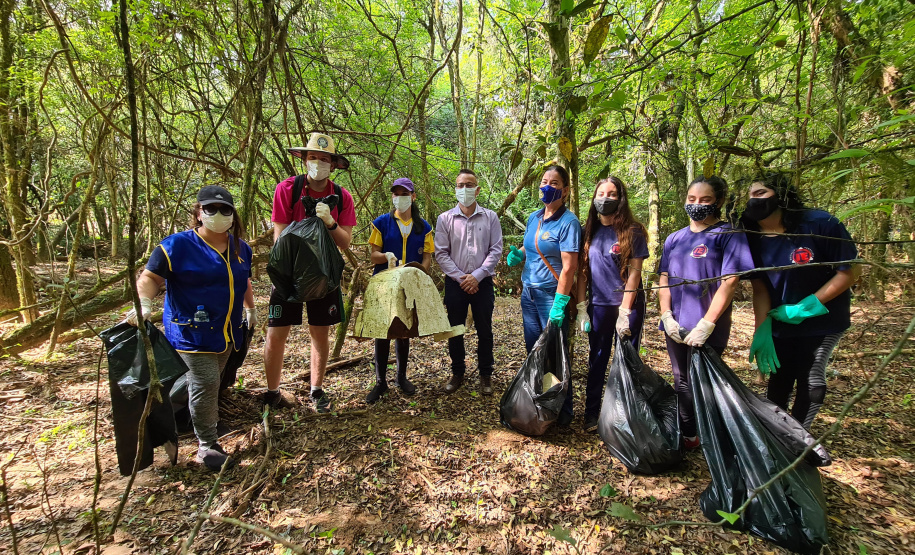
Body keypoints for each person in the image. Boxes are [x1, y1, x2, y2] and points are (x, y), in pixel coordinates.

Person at [126, 186, 255, 471]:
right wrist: (143, 303)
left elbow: (243, 281)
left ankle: (172, 416)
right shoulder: (176, 246)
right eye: (211, 209)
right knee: (206, 381)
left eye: (225, 209)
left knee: (206, 381)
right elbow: (150, 278)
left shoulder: (241, 248)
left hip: (227, 331)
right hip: (191, 331)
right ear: (198, 212)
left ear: (233, 214)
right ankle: (207, 445)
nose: (218, 214)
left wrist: (251, 309)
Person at [743, 172, 857, 430]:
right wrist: (762, 329)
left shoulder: (820, 223)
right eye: (749, 196)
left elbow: (849, 271)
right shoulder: (750, 236)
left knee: (811, 375)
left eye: (760, 193)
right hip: (779, 317)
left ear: (781, 195)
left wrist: (805, 307)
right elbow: (760, 287)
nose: (754, 200)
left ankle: (800, 437)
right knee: (780, 377)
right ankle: (777, 433)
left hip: (824, 318)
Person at [658, 175, 754, 449]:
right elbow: (664, 278)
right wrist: (666, 315)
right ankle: (689, 436)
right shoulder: (675, 239)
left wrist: (707, 324)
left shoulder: (728, 235)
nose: (697, 204)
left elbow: (730, 280)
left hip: (707, 326)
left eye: (705, 199)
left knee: (703, 383)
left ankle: (711, 435)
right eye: (692, 199)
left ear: (718, 202)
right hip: (676, 323)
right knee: (681, 381)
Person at [263, 133, 356, 413]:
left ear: (333, 164)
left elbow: (345, 242)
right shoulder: (288, 189)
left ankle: (317, 389)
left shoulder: (342, 197)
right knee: (276, 331)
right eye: (313, 157)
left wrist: (329, 222)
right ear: (304, 159)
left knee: (320, 331)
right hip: (289, 271)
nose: (318, 163)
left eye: (324, 159)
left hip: (324, 274)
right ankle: (272, 392)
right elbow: (279, 236)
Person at [506, 164, 580, 426]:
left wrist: (560, 303)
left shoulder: (568, 222)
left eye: (554, 183)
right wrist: (519, 255)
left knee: (555, 355)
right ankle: (539, 405)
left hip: (551, 296)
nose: (547, 187)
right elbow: (532, 247)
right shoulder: (534, 217)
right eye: (544, 182)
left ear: (565, 190)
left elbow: (569, 267)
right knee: (534, 352)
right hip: (529, 294)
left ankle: (563, 413)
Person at [575, 176, 649, 433]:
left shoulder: (633, 231)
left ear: (620, 199)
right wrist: (581, 307)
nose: (605, 199)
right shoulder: (588, 231)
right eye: (601, 194)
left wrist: (625, 312)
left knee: (626, 361)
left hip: (628, 307)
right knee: (597, 359)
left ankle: (623, 416)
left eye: (612, 194)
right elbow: (582, 272)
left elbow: (635, 273)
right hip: (598, 306)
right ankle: (592, 414)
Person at [364, 177, 435, 403]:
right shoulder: (382, 223)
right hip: (384, 283)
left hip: (409, 285)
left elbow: (427, 257)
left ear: (413, 197)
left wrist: (420, 274)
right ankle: (380, 382)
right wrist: (386, 256)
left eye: (405, 194)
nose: (400, 198)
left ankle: (401, 377)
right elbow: (373, 255)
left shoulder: (424, 227)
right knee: (382, 332)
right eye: (396, 194)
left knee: (404, 330)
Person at [435, 169, 503, 395]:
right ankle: (457, 373)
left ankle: (486, 375)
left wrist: (478, 276)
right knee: (455, 329)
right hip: (456, 283)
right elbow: (441, 253)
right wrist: (461, 277)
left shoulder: (490, 217)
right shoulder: (445, 219)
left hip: (483, 282)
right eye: (460, 185)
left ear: (477, 189)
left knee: (485, 329)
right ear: (456, 189)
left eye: (469, 185)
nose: (464, 189)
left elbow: (496, 250)